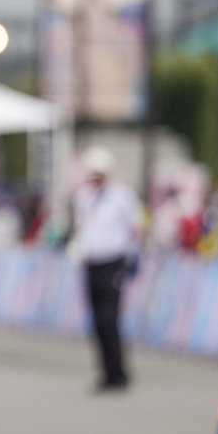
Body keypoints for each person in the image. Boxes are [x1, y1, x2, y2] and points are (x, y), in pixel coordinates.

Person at [71, 147, 140, 392]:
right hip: (92, 262)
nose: (96, 179)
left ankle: (118, 371)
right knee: (97, 320)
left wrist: (133, 258)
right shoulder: (84, 197)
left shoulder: (122, 196)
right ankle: (105, 370)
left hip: (114, 261)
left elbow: (135, 228)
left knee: (110, 318)